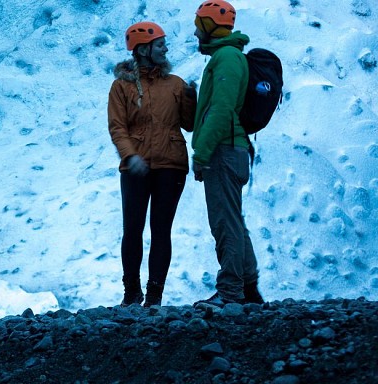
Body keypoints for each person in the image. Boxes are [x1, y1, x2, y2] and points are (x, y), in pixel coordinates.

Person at [107, 22, 197, 307]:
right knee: (132, 229)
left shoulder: (176, 84)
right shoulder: (121, 86)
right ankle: (131, 292)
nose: (165, 49)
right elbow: (117, 127)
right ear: (143, 49)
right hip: (136, 167)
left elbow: (190, 124)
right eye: (160, 44)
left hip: (171, 165)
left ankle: (154, 296)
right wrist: (130, 156)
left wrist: (190, 100)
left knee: (161, 230)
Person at [190, 0, 264, 307]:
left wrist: (201, 153)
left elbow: (220, 111)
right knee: (233, 220)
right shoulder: (226, 57)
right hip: (230, 148)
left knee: (225, 223)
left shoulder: (228, 58)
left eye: (199, 25)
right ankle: (248, 292)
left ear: (209, 27)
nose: (195, 32)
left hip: (224, 149)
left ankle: (231, 292)